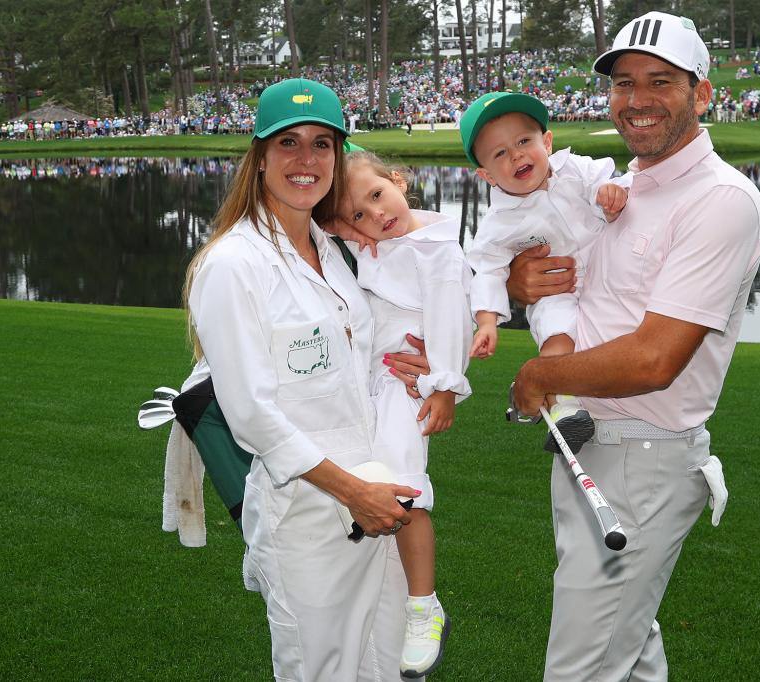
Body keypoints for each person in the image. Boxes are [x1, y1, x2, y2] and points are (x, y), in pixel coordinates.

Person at [507, 11, 760, 681]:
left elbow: (655, 358)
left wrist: (539, 372)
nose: (638, 100)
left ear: (701, 93)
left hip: (644, 463)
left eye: (661, 81)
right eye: (624, 83)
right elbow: (584, 296)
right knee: (631, 649)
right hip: (593, 449)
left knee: (582, 668)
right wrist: (523, 281)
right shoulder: (623, 189)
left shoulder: (720, 200)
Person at [181, 78, 431, 681]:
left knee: (386, 667)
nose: (306, 159)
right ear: (260, 155)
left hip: (379, 498)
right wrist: (353, 493)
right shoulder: (232, 265)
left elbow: (347, 361)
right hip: (310, 517)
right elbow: (252, 415)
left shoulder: (338, 249)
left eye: (323, 144)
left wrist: (407, 363)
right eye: (287, 142)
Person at [335, 150, 472, 677]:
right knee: (365, 478)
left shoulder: (435, 250)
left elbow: (449, 321)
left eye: (377, 196)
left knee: (402, 489)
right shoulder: (371, 242)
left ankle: (424, 605)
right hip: (363, 380)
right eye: (359, 216)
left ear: (398, 179)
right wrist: (348, 225)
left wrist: (444, 386)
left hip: (404, 386)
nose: (376, 217)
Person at [458, 91, 628, 454]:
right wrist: (487, 322)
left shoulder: (576, 170)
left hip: (608, 271)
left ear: (547, 142)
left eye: (524, 141)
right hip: (558, 291)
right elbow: (487, 271)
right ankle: (564, 409)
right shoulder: (499, 221)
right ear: (486, 174)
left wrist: (611, 192)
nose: (517, 154)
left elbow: (605, 183)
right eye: (500, 153)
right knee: (556, 334)